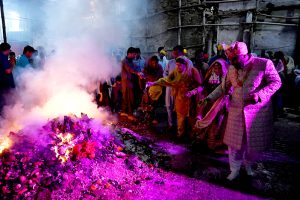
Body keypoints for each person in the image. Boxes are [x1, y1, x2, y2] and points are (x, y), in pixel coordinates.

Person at [203, 42, 281, 181]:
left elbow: (276, 82)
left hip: (257, 113)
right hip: (236, 111)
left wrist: (260, 95)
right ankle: (235, 170)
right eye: (230, 59)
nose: (231, 62)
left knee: (253, 145)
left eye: (234, 59)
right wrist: (208, 99)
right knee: (234, 143)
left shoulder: (264, 63)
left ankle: (249, 164)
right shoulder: (232, 68)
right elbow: (223, 88)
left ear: (244, 56)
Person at [148, 56, 202, 140]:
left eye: (180, 65)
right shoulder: (176, 72)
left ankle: (193, 137)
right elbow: (167, 80)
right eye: (177, 65)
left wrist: (192, 91)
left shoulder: (193, 71)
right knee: (180, 117)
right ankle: (180, 135)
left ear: (186, 65)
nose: (178, 67)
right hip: (180, 98)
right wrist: (154, 83)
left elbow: (200, 85)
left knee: (191, 118)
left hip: (192, 99)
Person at [188, 59, 229, 151]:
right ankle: (207, 143)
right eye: (215, 68)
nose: (217, 70)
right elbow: (203, 86)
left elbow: (225, 92)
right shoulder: (210, 76)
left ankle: (213, 144)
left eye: (219, 68)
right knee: (206, 122)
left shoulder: (226, 79)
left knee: (216, 124)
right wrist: (193, 92)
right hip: (208, 103)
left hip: (220, 105)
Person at [164, 45, 196, 132]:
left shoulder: (189, 62)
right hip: (170, 87)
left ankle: (181, 128)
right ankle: (171, 125)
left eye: (177, 54)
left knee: (181, 110)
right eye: (174, 54)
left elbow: (190, 75)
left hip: (182, 89)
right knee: (169, 105)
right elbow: (165, 74)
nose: (175, 56)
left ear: (182, 53)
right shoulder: (170, 62)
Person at [140, 56, 164, 124]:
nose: (154, 65)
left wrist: (154, 81)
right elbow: (143, 75)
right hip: (148, 87)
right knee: (147, 102)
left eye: (156, 63)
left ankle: (154, 117)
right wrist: (142, 76)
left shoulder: (159, 67)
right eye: (153, 63)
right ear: (150, 62)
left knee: (155, 104)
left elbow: (160, 77)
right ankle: (147, 117)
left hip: (157, 88)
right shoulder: (147, 67)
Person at [120, 47, 142, 121]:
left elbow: (136, 68)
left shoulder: (131, 61)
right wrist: (137, 73)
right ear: (129, 54)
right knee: (129, 98)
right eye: (133, 54)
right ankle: (129, 114)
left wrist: (141, 72)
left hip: (131, 82)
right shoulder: (124, 61)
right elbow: (129, 69)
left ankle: (125, 112)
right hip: (127, 82)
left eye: (135, 54)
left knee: (130, 97)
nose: (134, 56)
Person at [0, 43, 14, 113]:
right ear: (7, 50)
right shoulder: (2, 56)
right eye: (9, 50)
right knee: (4, 103)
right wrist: (12, 65)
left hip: (3, 83)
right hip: (4, 84)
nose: (9, 52)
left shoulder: (2, 56)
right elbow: (8, 71)